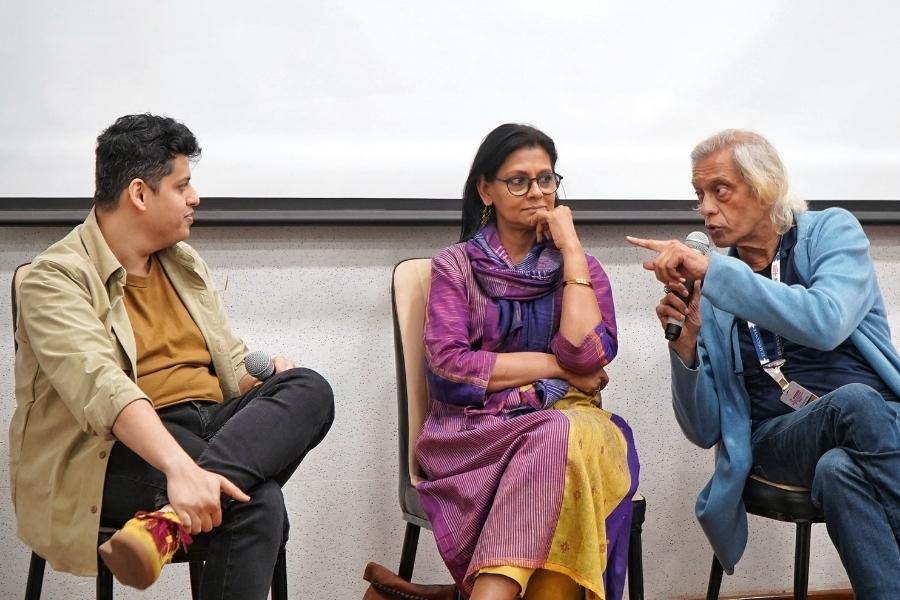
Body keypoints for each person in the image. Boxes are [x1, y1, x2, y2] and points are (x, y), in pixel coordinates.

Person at [10, 114, 335, 600]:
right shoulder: (53, 279)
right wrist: (180, 471)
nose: (195, 198)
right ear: (139, 194)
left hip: (208, 431)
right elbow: (104, 389)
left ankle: (166, 521)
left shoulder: (183, 263)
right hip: (113, 453)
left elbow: (229, 360)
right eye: (182, 185)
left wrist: (261, 387)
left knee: (310, 388)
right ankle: (182, 498)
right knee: (256, 501)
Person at [627, 129, 900, 598]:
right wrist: (686, 348)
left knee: (839, 470)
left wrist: (715, 271)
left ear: (766, 185)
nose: (707, 208)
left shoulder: (831, 232)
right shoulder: (712, 290)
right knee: (854, 402)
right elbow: (704, 429)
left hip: (880, 421)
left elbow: (827, 321)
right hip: (779, 437)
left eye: (720, 190)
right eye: (700, 195)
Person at [416, 123, 639, 600]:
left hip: (569, 420)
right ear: (486, 190)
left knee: (564, 435)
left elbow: (585, 354)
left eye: (547, 179)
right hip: (474, 434)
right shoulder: (454, 266)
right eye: (518, 180)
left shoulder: (581, 268)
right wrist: (555, 367)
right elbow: (451, 371)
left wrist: (572, 249)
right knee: (559, 440)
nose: (536, 192)